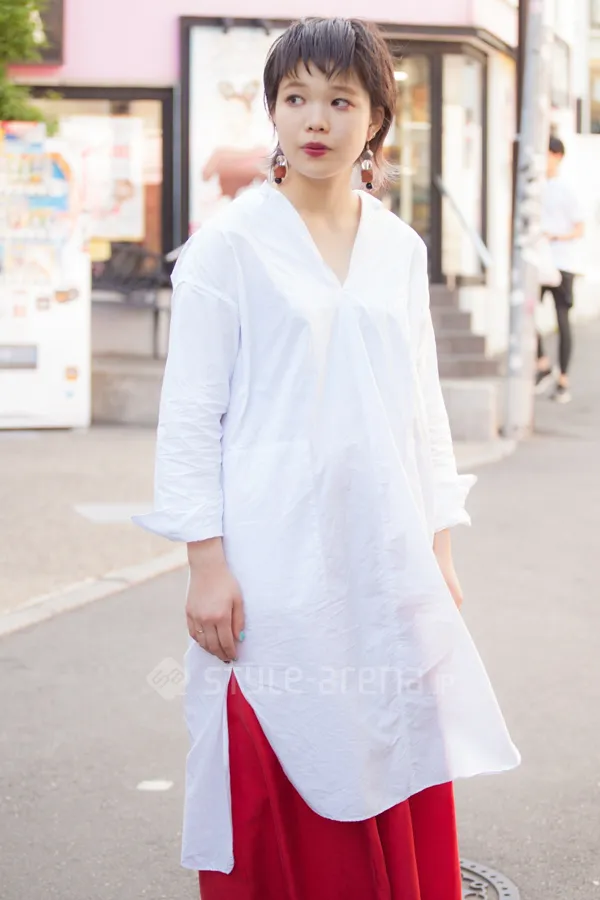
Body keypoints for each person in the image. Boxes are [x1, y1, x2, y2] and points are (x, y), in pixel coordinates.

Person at [134, 17, 520, 900]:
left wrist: (440, 549)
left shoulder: (398, 248)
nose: (316, 119)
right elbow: (189, 415)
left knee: (389, 730)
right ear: (272, 110)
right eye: (295, 97)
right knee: (284, 724)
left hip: (383, 549)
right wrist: (205, 564)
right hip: (269, 553)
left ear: (377, 116)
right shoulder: (229, 247)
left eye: (340, 100)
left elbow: (421, 407)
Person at [535, 136, 584, 404]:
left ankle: (563, 379)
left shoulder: (567, 189)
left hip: (563, 264)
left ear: (557, 156)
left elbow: (580, 228)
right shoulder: (537, 187)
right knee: (526, 312)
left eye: (546, 154)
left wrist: (555, 236)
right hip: (539, 263)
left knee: (562, 320)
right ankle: (543, 364)